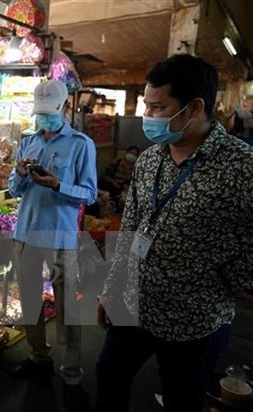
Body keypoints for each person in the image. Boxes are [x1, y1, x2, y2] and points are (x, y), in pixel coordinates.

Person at [96, 54, 253, 411]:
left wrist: (225, 272)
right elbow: (132, 226)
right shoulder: (151, 159)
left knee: (183, 398)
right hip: (134, 303)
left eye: (157, 107)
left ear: (195, 107)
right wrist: (111, 288)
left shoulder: (241, 167)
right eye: (145, 106)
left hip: (195, 319)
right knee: (109, 376)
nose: (147, 116)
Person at [7, 80, 98, 388]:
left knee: (67, 306)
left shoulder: (81, 144)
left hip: (61, 237)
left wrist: (58, 185)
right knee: (30, 302)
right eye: (40, 112)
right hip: (26, 233)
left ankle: (72, 371)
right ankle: (38, 356)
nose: (44, 118)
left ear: (64, 108)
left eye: (50, 112)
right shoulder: (27, 141)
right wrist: (20, 174)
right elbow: (12, 189)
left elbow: (90, 193)